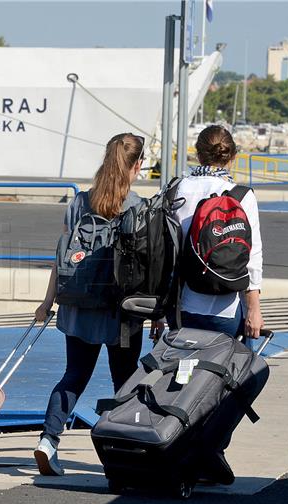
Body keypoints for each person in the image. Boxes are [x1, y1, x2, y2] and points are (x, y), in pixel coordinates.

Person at [32, 133, 148, 476]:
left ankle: (48, 440)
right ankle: (123, 451)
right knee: (124, 382)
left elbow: (61, 256)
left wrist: (47, 302)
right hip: (120, 312)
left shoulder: (79, 202)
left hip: (78, 306)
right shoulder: (139, 207)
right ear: (137, 164)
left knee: (74, 376)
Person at [170, 125, 264, 339]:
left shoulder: (175, 190)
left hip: (181, 305)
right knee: (233, 369)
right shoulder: (240, 196)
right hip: (225, 305)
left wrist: (158, 313)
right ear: (232, 156)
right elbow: (252, 257)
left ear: (197, 154)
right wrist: (253, 310)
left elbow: (163, 253)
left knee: (184, 369)